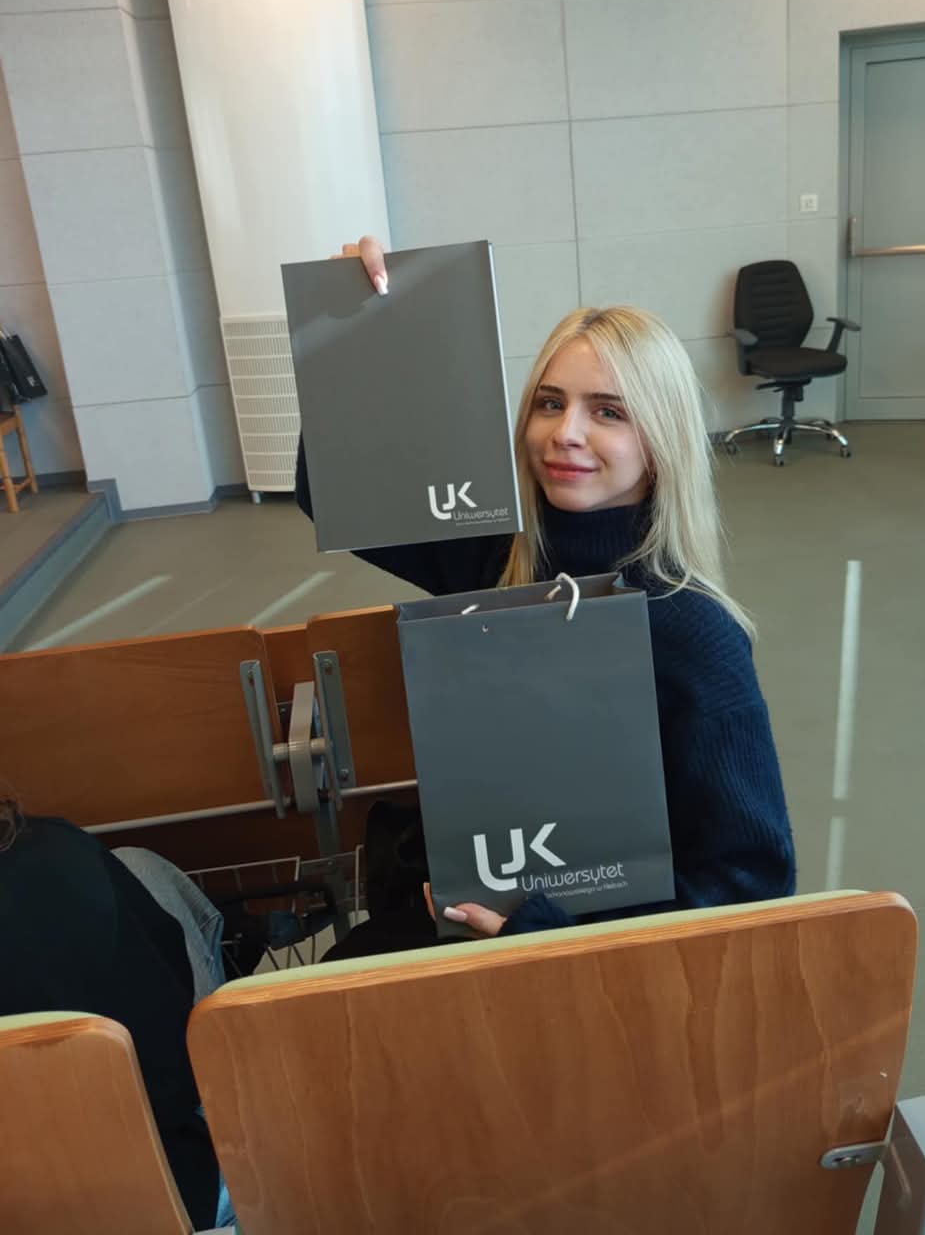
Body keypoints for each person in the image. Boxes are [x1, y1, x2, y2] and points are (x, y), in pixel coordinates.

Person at [297, 236, 795, 944]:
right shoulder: (495, 559)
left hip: (591, 957)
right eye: (550, 403)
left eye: (609, 412)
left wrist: (543, 932)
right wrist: (355, 330)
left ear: (662, 442)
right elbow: (331, 493)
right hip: (471, 912)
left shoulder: (693, 631)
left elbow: (752, 883)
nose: (566, 432)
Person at [0, 795, 223, 1230]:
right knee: (139, 864)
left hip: (20, 1211)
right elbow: (172, 1060)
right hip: (173, 1194)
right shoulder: (57, 847)